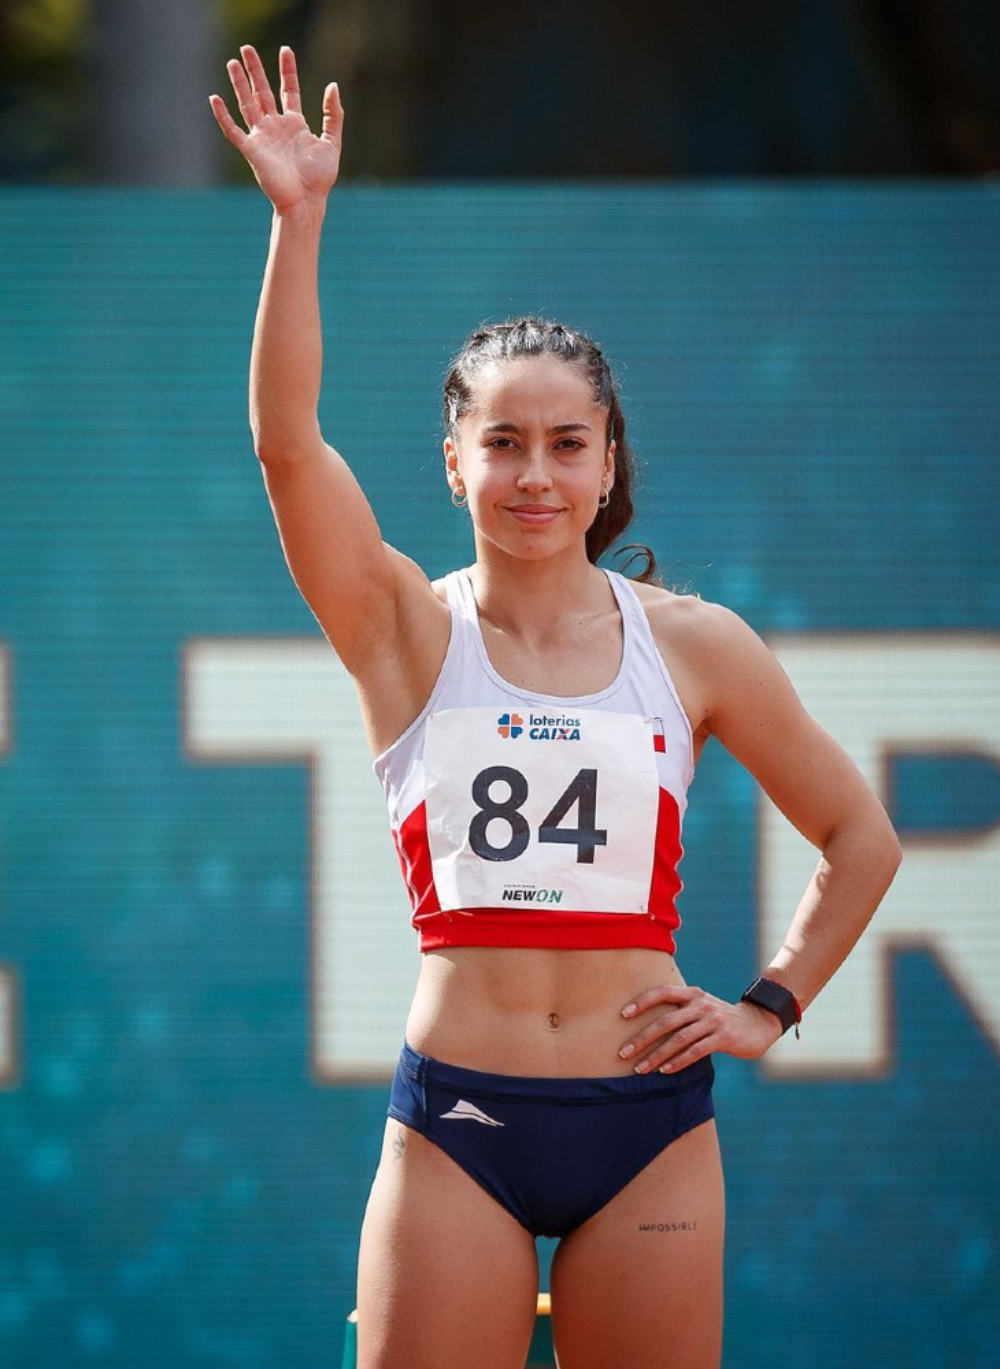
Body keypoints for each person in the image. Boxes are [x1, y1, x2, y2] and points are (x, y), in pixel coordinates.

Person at [210, 45, 903, 1369]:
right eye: (505, 444)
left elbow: (862, 842)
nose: (536, 473)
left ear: (608, 466)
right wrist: (298, 222)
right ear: (455, 463)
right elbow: (287, 444)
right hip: (457, 1124)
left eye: (567, 443)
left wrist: (769, 1003)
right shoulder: (403, 628)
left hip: (647, 1129)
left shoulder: (696, 645)